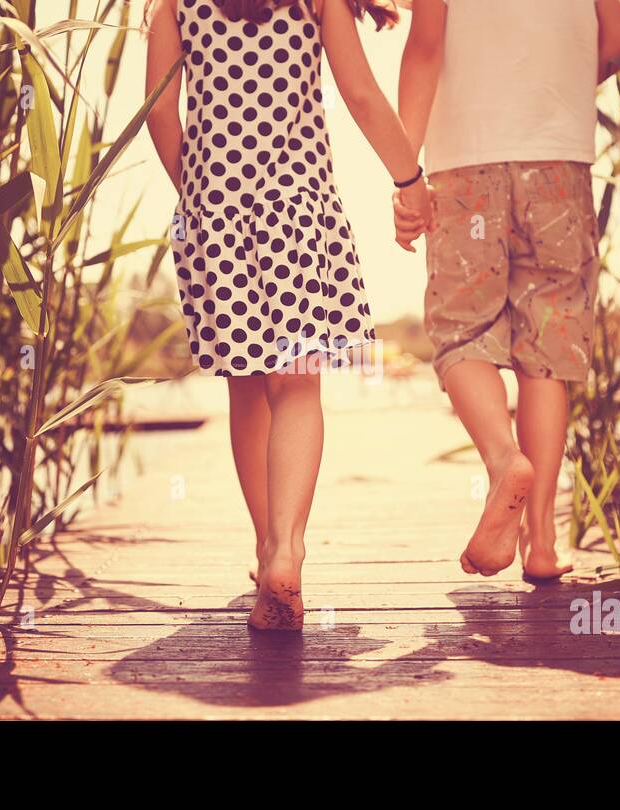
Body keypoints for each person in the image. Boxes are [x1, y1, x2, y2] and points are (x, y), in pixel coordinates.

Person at [145, 0, 430, 629]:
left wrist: (197, 188)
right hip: (298, 210)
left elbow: (160, 110)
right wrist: (409, 178)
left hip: (213, 211)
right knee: (298, 385)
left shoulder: (174, 6)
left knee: (246, 386)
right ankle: (288, 548)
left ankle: (266, 547)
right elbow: (358, 91)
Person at [393, 0, 620, 581]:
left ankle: (505, 461)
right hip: (559, 157)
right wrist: (559, 77)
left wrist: (405, 171)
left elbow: (426, 44)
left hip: (464, 159)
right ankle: (543, 543)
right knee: (549, 345)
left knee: (461, 331)